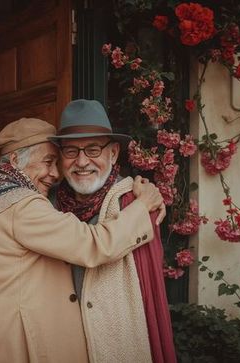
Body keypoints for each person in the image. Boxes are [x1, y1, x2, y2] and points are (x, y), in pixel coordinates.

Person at [0, 118, 164, 363]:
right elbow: (93, 244)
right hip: (9, 348)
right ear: (16, 162)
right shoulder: (20, 203)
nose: (55, 173)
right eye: (48, 162)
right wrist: (143, 206)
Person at [50, 99, 176, 363]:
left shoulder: (136, 202)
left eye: (93, 149)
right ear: (60, 157)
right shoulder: (47, 204)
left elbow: (149, 292)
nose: (82, 161)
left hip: (117, 346)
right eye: (71, 151)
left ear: (114, 153)